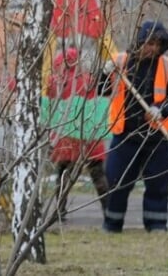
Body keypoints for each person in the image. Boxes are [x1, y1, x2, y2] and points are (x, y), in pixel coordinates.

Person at [99, 21, 168, 233]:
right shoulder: (120, 62)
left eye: (157, 44)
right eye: (149, 43)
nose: (153, 48)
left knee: (158, 184)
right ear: (140, 41)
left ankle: (157, 226)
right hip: (125, 134)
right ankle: (112, 225)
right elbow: (100, 89)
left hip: (157, 136)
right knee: (116, 180)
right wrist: (105, 73)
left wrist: (161, 109)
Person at [45, 47, 108, 223]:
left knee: (63, 176)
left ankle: (60, 212)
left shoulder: (54, 81)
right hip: (89, 135)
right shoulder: (89, 80)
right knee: (98, 175)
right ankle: (109, 211)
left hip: (66, 137)